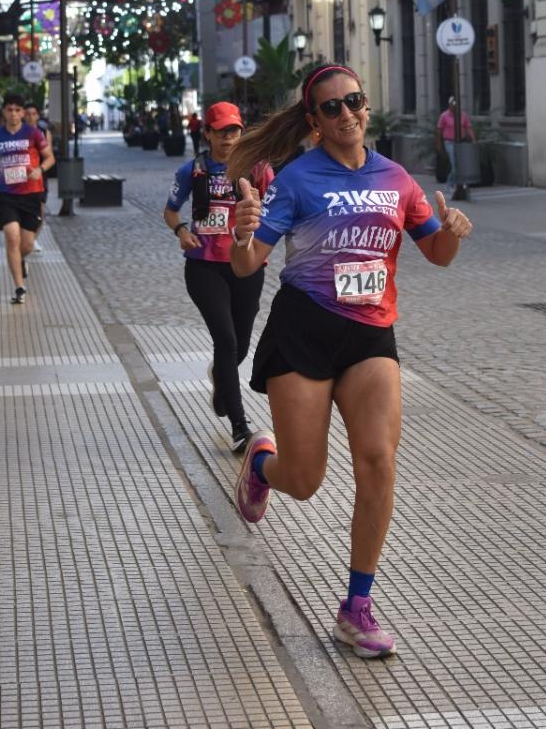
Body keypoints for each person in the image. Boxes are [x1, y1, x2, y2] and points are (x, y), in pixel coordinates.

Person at [225, 63, 472, 659]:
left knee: (379, 461)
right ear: (314, 122)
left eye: (354, 102)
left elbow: (435, 252)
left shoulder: (397, 179)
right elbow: (247, 264)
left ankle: (356, 607)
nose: (347, 115)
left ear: (367, 107)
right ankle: (263, 466)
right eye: (331, 108)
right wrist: (241, 233)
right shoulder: (296, 179)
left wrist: (455, 232)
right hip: (304, 332)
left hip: (369, 336)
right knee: (305, 481)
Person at [163, 102, 274, 453]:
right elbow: (170, 210)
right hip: (204, 266)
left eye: (234, 131)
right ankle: (240, 427)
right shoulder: (191, 171)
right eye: (221, 131)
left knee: (240, 344)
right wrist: (181, 230)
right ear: (207, 133)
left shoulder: (256, 169)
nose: (229, 138)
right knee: (225, 341)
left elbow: (277, 208)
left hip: (247, 264)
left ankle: (220, 378)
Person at [0, 91, 55, 305]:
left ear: (22, 113)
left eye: (17, 110)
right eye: (9, 110)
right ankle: (19, 286)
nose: (13, 114)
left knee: (27, 243)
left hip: (31, 194)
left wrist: (40, 170)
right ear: (4, 112)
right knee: (11, 236)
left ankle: (21, 260)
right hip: (7, 194)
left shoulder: (33, 133)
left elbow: (50, 157)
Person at [23, 102, 52, 253]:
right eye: (28, 114)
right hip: (21, 177)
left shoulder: (43, 132)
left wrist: (40, 169)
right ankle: (26, 237)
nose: (30, 117)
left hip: (39, 176)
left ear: (38, 116)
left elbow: (49, 156)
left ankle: (33, 239)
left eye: (33, 114)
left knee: (40, 210)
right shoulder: (17, 132)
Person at [435, 95, 475, 194]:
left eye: (456, 105)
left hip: (461, 142)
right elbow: (439, 131)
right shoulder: (444, 116)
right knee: (454, 165)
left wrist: (473, 140)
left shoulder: (463, 115)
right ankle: (450, 184)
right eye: (453, 104)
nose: (454, 107)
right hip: (449, 142)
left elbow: (468, 128)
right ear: (449, 105)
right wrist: (438, 144)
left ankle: (457, 183)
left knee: (461, 165)